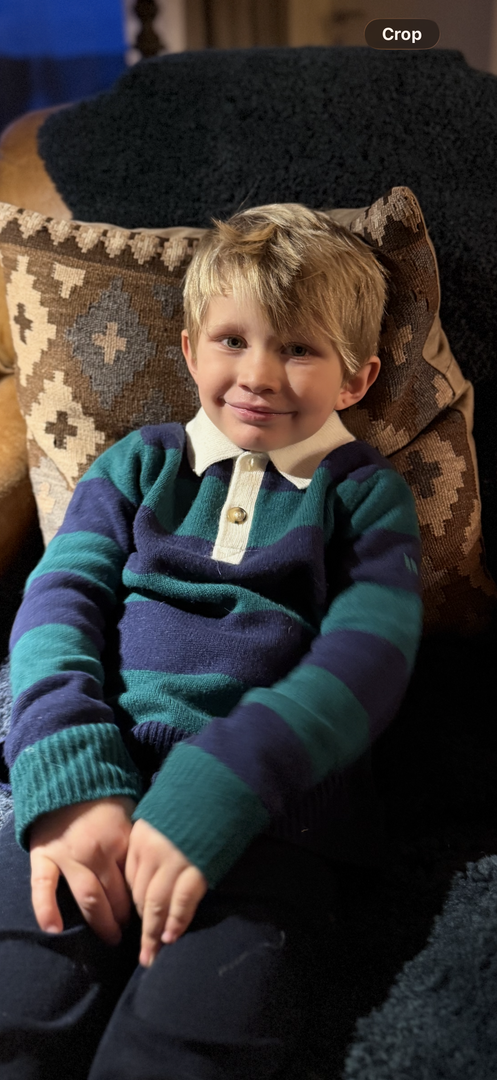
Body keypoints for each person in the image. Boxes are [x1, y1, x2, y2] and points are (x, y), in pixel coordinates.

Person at [0, 203, 422, 1080]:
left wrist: (229, 780)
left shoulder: (362, 493)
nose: (257, 374)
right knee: (19, 1005)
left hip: (269, 822)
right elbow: (57, 603)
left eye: (297, 349)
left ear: (356, 379)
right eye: (232, 341)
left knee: (182, 1050)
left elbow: (371, 652)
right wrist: (69, 771)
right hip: (97, 780)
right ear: (190, 351)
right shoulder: (136, 465)